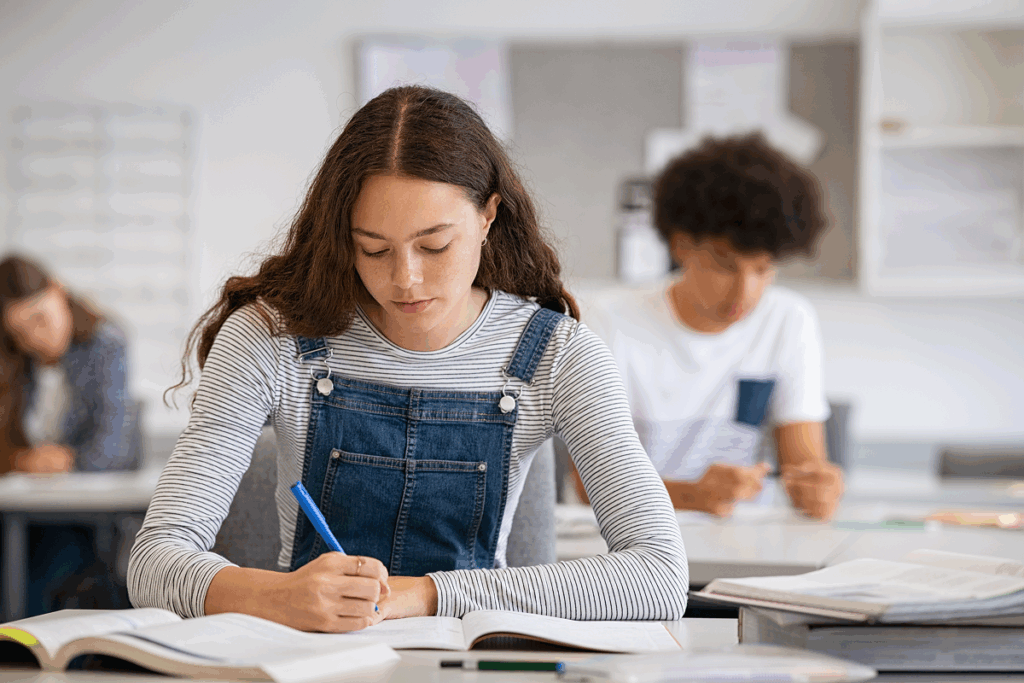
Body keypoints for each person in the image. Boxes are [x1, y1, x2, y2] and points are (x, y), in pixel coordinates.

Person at [127, 86, 688, 632]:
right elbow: (153, 563)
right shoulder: (270, 337)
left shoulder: (558, 355)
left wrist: (424, 593)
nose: (405, 279)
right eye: (372, 248)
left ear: (488, 217)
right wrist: (277, 596)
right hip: (308, 661)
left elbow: (659, 576)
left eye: (435, 245)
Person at [579, 134, 843, 520]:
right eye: (725, 265)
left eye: (762, 269)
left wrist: (817, 488)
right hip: (630, 544)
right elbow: (590, 484)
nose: (745, 291)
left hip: (741, 544)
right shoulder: (607, 321)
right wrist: (692, 495)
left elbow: (803, 464)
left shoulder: (788, 320)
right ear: (681, 245)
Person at [0, 254, 138, 614]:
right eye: (19, 333)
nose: (34, 339)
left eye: (40, 319)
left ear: (58, 292)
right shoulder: (13, 361)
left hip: (81, 518)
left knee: (44, 564)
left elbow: (113, 449)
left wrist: (65, 461)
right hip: (20, 510)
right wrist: (22, 460)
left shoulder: (106, 345)